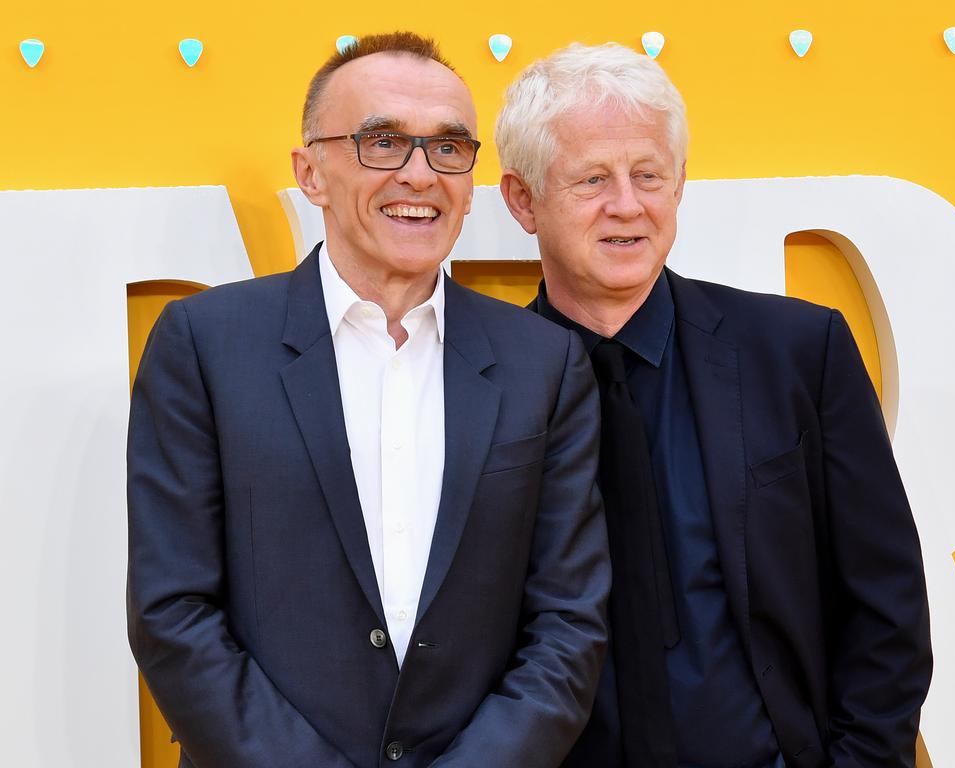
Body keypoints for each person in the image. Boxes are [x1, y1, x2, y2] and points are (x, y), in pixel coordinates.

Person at [127, 32, 610, 768]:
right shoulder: (203, 344)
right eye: (382, 142)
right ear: (311, 172)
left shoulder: (543, 362)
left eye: (448, 148)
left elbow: (568, 624)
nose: (420, 174)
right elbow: (173, 612)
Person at [497, 42, 932, 768]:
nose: (627, 205)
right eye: (591, 180)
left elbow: (885, 603)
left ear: (680, 185)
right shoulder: (474, 388)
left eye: (648, 175)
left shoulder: (798, 352)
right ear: (523, 200)